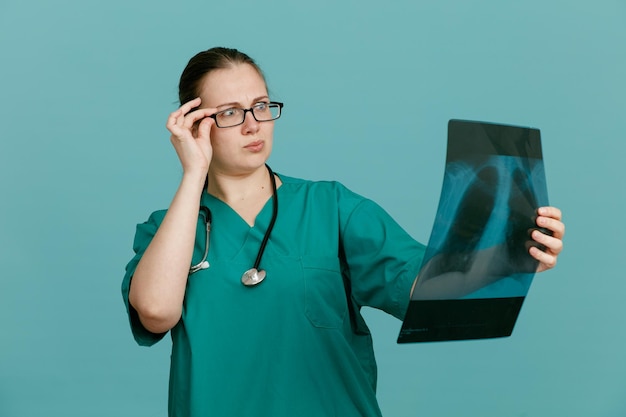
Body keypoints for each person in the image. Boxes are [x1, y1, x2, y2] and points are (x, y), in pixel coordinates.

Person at [121, 47, 565, 417]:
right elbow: (157, 311)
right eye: (231, 113)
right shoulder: (169, 230)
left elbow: (424, 285)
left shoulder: (331, 207)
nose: (254, 124)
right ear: (195, 123)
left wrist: (510, 255)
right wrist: (193, 173)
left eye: (261, 105)